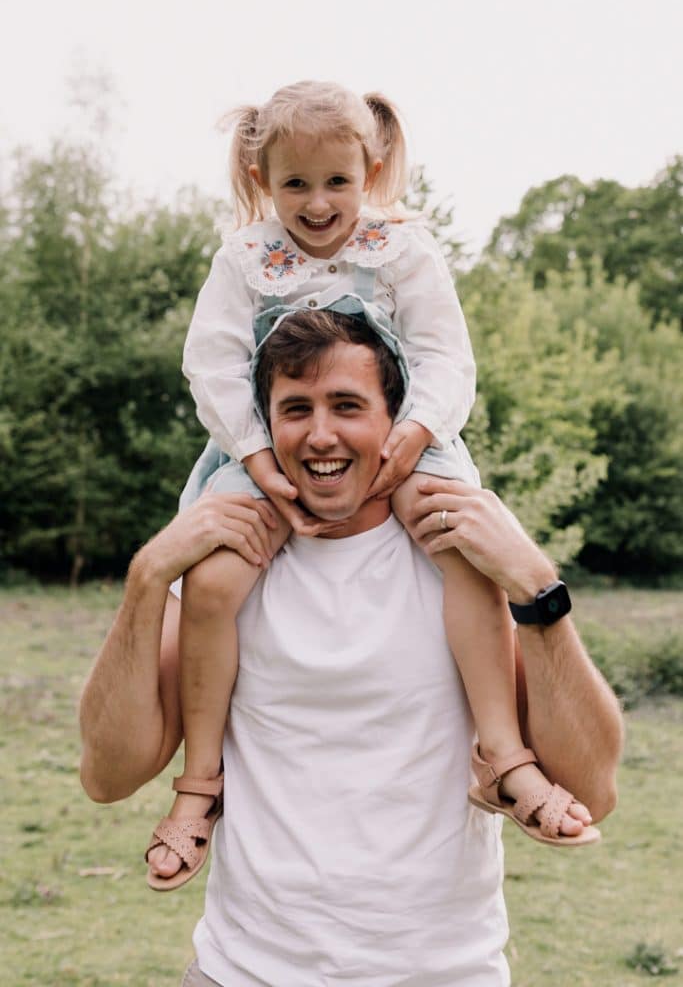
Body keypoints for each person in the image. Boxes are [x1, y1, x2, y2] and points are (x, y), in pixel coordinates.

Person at [80, 309, 623, 986]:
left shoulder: (455, 565)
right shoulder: (229, 568)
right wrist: (147, 578)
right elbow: (108, 775)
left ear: (396, 425)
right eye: (294, 409)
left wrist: (538, 587)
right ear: (262, 425)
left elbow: (591, 790)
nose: (320, 435)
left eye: (347, 406)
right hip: (242, 973)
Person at [146, 80, 597, 889]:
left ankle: (500, 750)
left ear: (372, 167)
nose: (317, 204)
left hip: (403, 433)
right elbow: (211, 361)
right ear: (261, 180)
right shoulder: (245, 256)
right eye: (295, 184)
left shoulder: (402, 247)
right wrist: (254, 459)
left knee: (463, 549)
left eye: (336, 182)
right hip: (264, 444)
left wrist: (415, 433)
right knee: (212, 585)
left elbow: (443, 355)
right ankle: (199, 784)